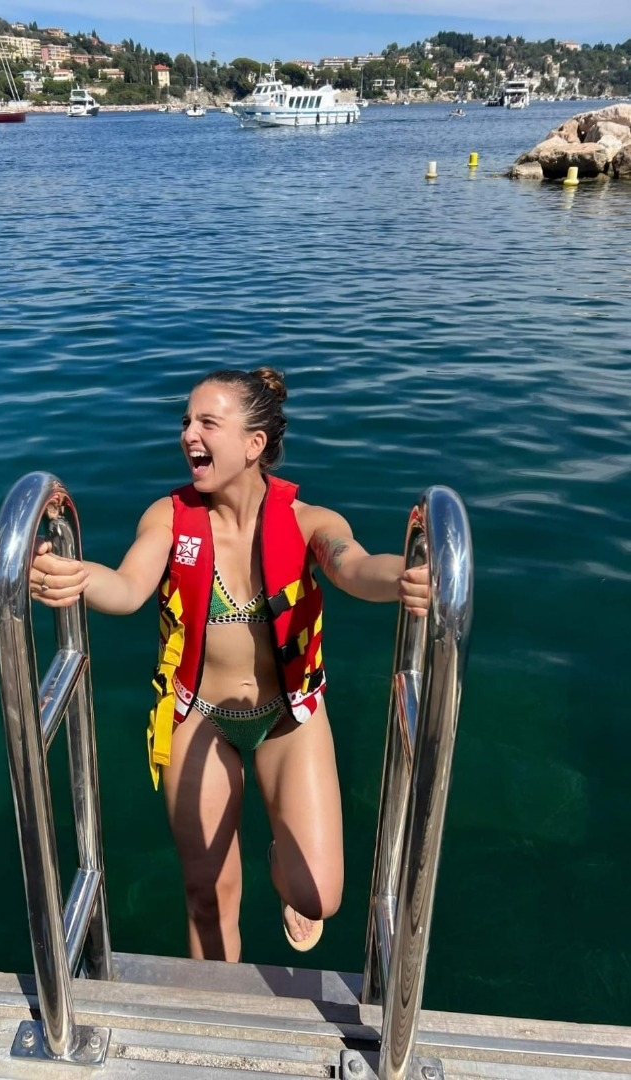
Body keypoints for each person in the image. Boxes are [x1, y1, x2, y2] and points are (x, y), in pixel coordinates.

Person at [30, 367, 429, 962]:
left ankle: (280, 859)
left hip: (288, 715)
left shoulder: (308, 522)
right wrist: (77, 577)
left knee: (319, 897)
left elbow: (352, 564)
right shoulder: (169, 518)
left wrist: (404, 577)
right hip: (197, 714)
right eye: (186, 422)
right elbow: (130, 586)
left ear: (253, 444)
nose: (188, 434)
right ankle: (212, 1003)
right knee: (207, 893)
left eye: (207, 423)